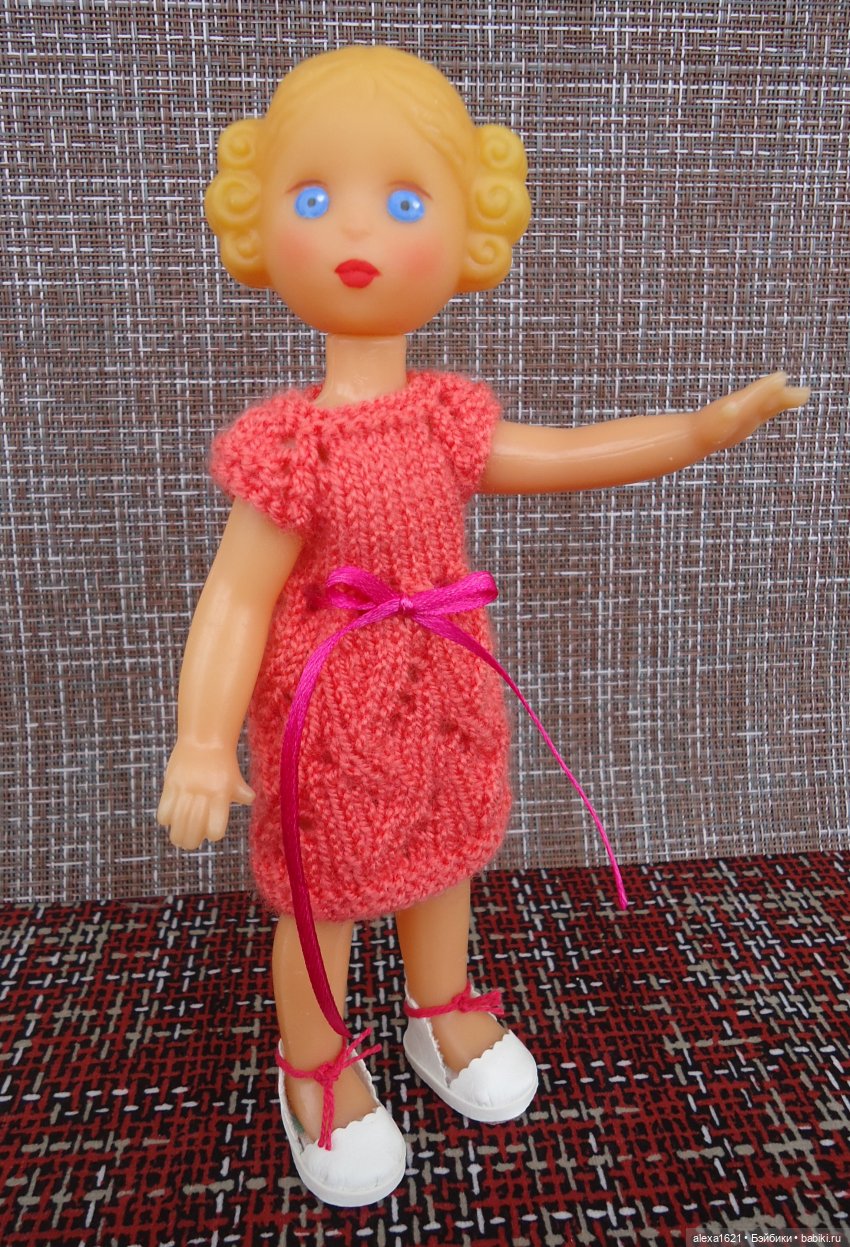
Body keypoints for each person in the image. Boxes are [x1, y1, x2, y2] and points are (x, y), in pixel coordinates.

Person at [157, 45, 809, 1207]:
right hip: (330, 700)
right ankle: (313, 1061)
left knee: (448, 848)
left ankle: (442, 1007)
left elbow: (563, 455)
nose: (358, 230)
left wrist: (698, 430)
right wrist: (202, 741)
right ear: (260, 224)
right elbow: (237, 595)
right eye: (316, 196)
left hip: (446, 679)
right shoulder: (293, 446)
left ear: (470, 234)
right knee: (326, 888)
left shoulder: (447, 423)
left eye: (405, 202)